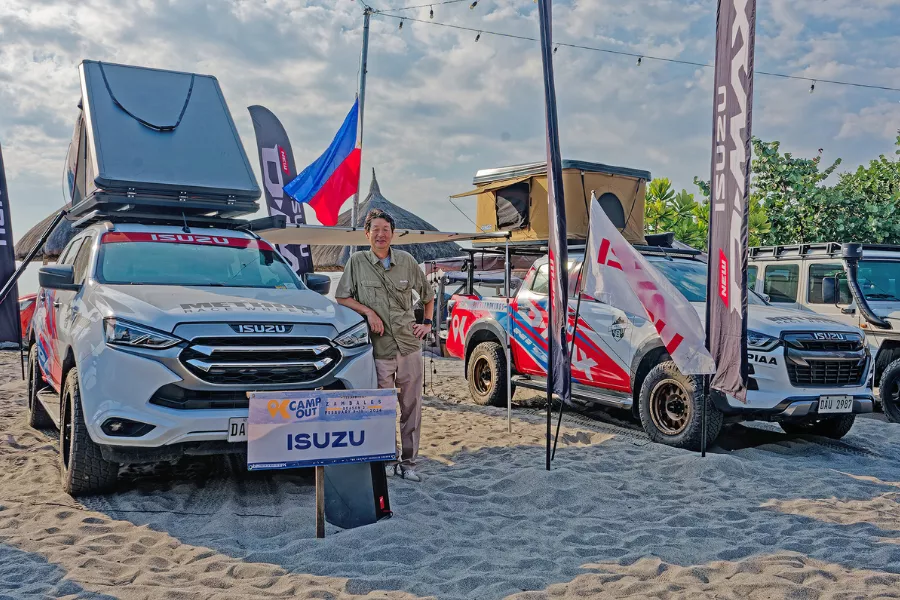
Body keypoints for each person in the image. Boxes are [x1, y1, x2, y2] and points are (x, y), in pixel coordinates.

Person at [335, 208, 435, 482]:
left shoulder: (407, 261)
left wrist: (427, 323)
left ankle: (410, 463)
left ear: (393, 234)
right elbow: (342, 296)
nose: (381, 234)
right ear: (367, 234)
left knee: (412, 406)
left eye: (386, 230)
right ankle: (388, 457)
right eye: (375, 230)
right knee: (381, 406)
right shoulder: (356, 262)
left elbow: (428, 295)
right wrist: (369, 312)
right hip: (379, 349)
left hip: (409, 344)